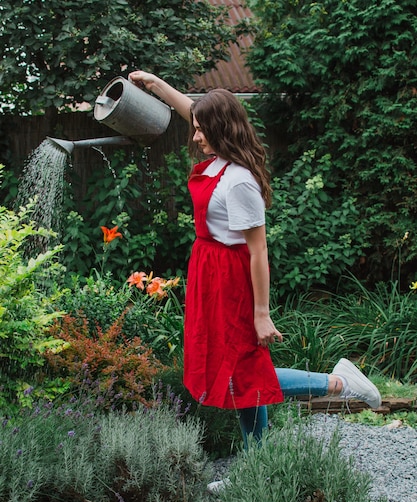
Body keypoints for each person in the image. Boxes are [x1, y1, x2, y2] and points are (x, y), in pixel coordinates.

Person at [128, 71, 381, 470]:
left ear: (221, 129)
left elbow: (258, 251)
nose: (195, 137)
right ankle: (257, 465)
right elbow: (190, 108)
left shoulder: (239, 181)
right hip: (209, 275)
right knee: (237, 377)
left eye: (201, 131)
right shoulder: (219, 165)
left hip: (232, 282)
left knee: (243, 376)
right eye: (195, 128)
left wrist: (261, 314)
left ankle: (340, 383)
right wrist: (154, 85)